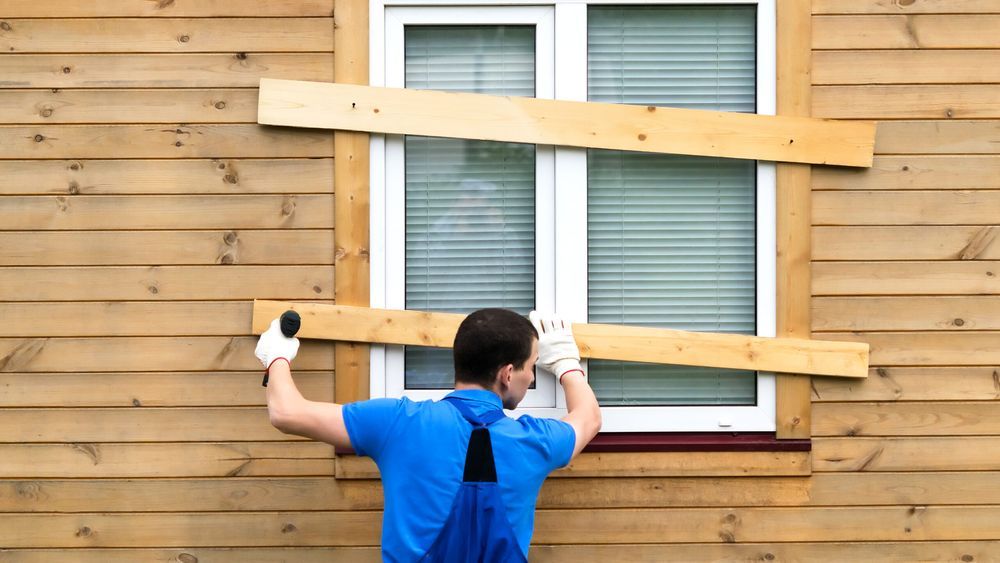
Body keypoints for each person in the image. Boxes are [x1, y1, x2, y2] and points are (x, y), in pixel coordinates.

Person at [254, 308, 602, 562]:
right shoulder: (535, 440)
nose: (532, 376)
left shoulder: (399, 422)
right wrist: (566, 365)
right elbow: (588, 420)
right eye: (531, 366)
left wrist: (277, 357)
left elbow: (287, 412)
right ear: (508, 374)